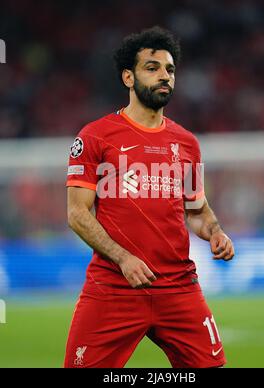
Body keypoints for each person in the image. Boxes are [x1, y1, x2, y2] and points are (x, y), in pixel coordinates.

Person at [64, 26, 234, 368]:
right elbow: (77, 214)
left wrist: (214, 231)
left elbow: (196, 209)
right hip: (113, 287)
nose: (164, 76)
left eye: (170, 69)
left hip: (179, 287)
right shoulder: (95, 136)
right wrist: (123, 259)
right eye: (152, 68)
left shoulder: (187, 143)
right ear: (128, 77)